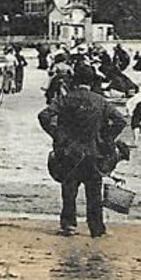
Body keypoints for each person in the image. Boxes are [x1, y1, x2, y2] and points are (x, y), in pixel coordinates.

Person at [39, 77, 128, 238]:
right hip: (94, 153)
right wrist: (105, 138)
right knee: (94, 192)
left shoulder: (65, 99)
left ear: (73, 83)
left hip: (69, 152)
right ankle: (96, 228)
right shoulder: (100, 101)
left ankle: (68, 225)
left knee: (69, 190)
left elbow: (44, 115)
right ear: (92, 83)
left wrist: (58, 135)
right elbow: (120, 121)